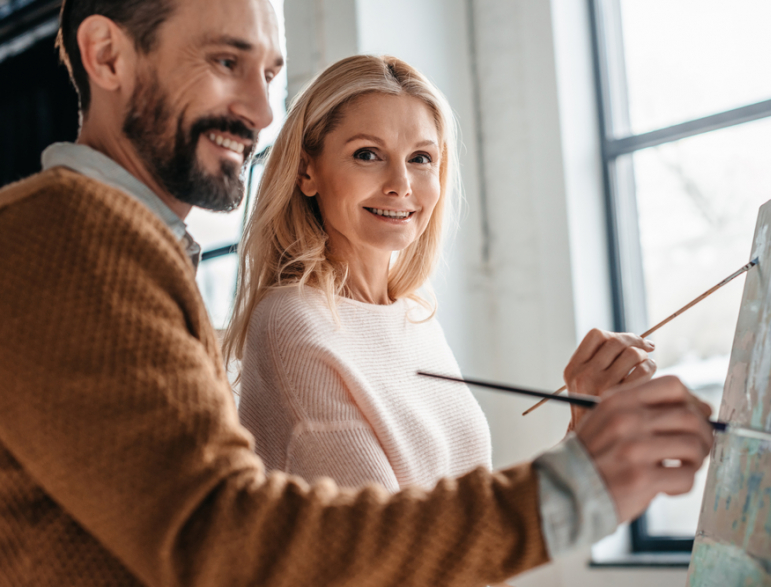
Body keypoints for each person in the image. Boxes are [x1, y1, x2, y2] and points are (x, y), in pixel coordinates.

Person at [0, 0, 715, 585]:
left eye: (270, 73)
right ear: (107, 57)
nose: (261, 111)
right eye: (226, 62)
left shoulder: (126, 244)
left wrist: (578, 451)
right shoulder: (71, 237)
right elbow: (224, 536)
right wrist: (571, 487)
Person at [223, 54, 660, 494]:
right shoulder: (292, 322)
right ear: (306, 171)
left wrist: (584, 429)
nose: (401, 184)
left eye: (420, 158)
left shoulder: (414, 316)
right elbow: (394, 544)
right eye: (368, 154)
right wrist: (580, 456)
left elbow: (463, 526)